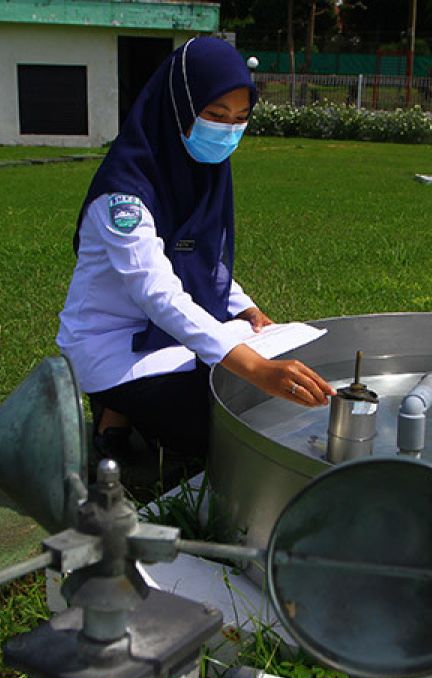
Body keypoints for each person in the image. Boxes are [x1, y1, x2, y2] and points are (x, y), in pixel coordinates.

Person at [57, 36, 334, 461]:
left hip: (170, 337)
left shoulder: (203, 171)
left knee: (246, 397)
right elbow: (157, 291)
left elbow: (199, 255)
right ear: (177, 108)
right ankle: (119, 406)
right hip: (115, 344)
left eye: (241, 118)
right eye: (215, 114)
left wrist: (245, 308)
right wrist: (257, 368)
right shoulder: (123, 196)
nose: (227, 130)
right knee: (217, 429)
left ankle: (129, 414)